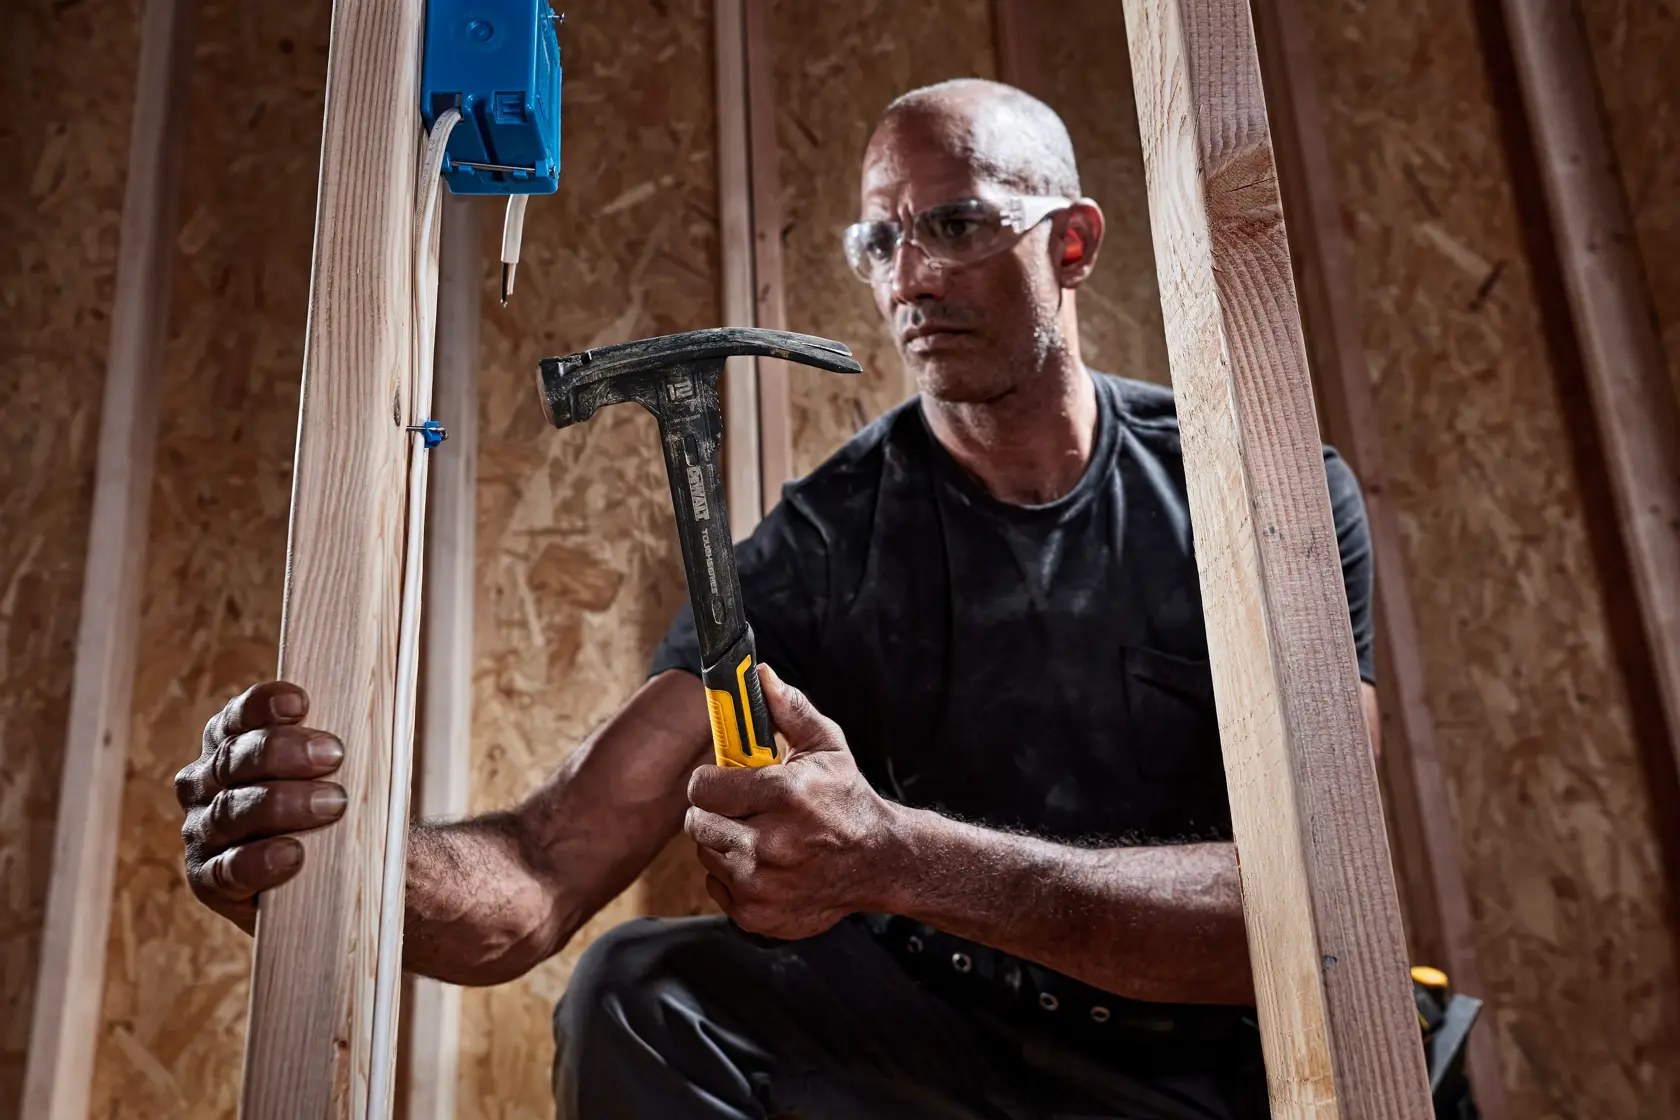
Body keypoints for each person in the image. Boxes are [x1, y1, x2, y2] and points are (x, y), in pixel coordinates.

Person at [174, 78, 1377, 1119]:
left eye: (954, 224)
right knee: (642, 998)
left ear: (1071, 243)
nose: (909, 277)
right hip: (945, 1069)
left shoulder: (1254, 498)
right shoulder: (822, 547)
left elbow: (1323, 908)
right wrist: (323, 858)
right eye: (879, 240)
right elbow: (543, 873)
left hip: (1229, 1069)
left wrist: (902, 861)